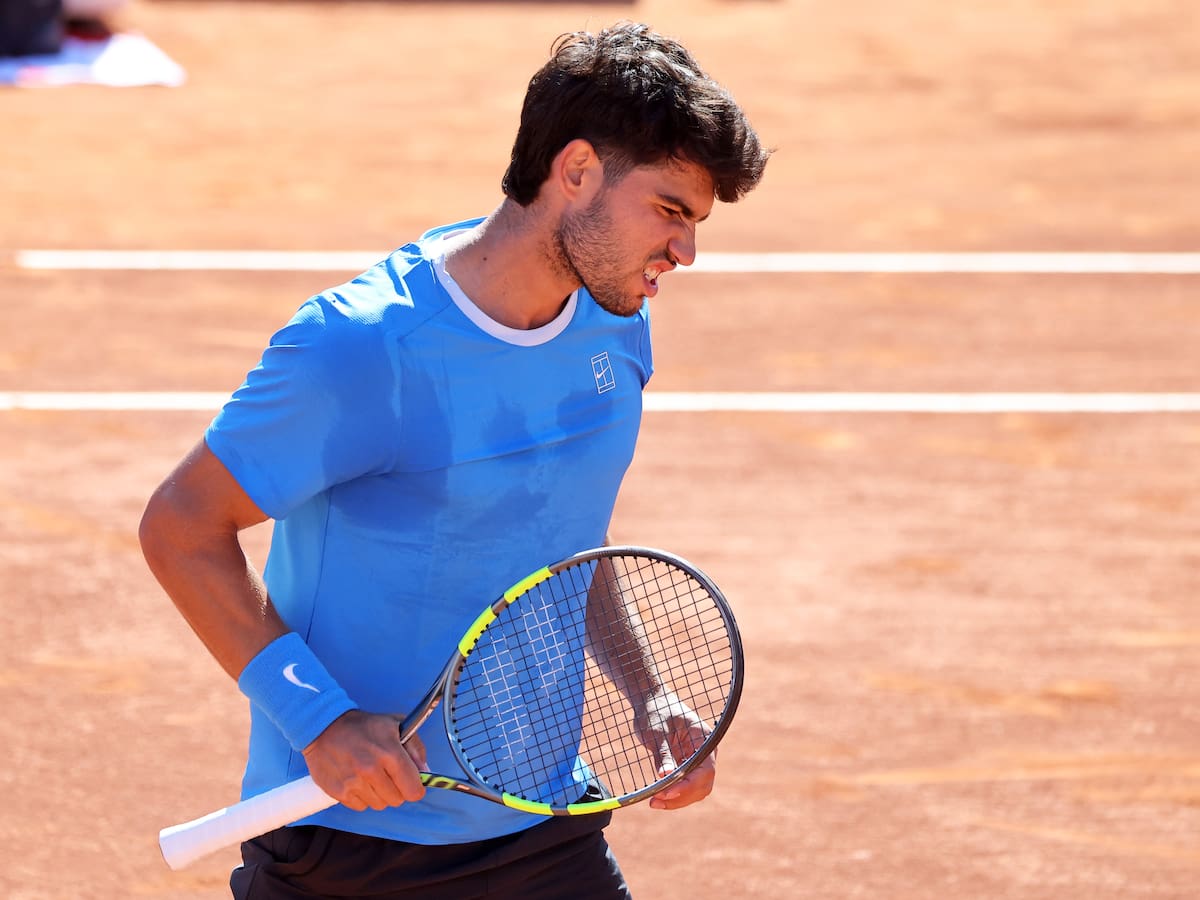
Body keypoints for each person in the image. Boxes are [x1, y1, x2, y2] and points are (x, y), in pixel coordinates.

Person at [139, 20, 768, 900]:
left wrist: (648, 693)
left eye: (696, 223)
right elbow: (179, 527)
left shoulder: (615, 320)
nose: (686, 251)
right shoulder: (361, 352)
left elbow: (565, 536)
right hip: (351, 850)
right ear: (577, 171)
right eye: (669, 210)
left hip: (544, 826)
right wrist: (321, 722)